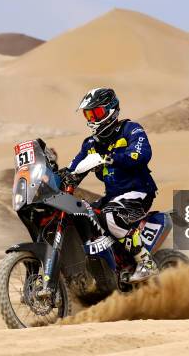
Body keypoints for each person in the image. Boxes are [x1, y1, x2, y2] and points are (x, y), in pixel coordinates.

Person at [62, 88, 159, 283]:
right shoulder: (90, 143)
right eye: (88, 114)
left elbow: (140, 155)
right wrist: (59, 175)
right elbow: (74, 169)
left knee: (111, 215)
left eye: (96, 113)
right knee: (83, 213)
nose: (91, 119)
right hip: (113, 197)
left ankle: (145, 261)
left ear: (111, 111)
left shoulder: (131, 129)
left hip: (139, 192)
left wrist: (108, 158)